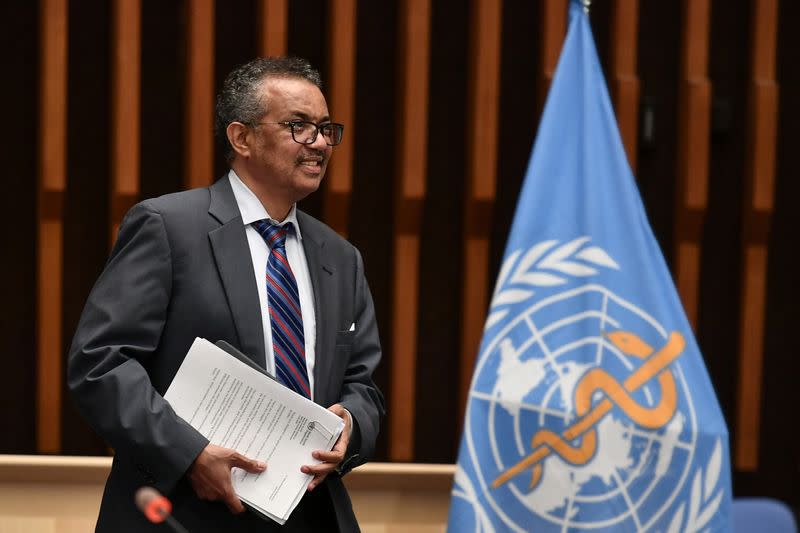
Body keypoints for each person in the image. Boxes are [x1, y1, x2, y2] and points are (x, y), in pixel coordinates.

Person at [67, 57, 385, 532]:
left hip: (310, 514)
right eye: (298, 126)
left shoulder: (340, 257)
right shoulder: (169, 227)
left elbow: (366, 388)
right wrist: (189, 452)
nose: (318, 143)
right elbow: (101, 362)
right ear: (242, 138)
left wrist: (351, 425)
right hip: (185, 512)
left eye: (325, 128)